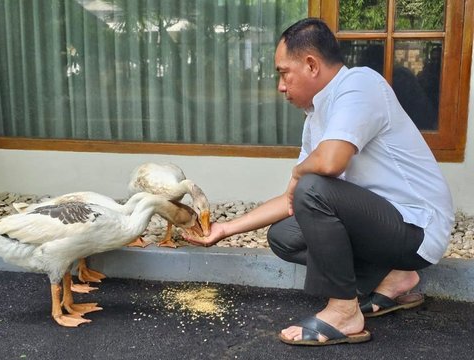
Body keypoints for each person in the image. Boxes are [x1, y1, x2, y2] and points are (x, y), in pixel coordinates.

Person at [184, 18, 454, 346]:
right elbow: (290, 200)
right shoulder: (317, 116)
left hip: (418, 228)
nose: (281, 86)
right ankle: (393, 276)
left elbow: (328, 164)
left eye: (284, 73)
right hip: (386, 228)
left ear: (311, 65)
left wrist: (300, 174)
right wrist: (225, 229)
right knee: (284, 235)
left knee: (313, 188)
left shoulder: (359, 85)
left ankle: (344, 311)